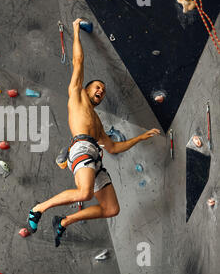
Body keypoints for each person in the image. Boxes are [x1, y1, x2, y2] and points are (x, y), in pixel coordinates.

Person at [27, 18, 160, 247]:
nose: (101, 90)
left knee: (112, 209)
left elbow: (113, 147)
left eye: (103, 90)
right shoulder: (76, 96)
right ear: (86, 89)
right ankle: (38, 208)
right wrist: (76, 30)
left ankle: (64, 222)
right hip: (81, 148)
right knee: (84, 194)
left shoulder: (97, 121)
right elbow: (78, 60)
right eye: (97, 86)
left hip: (96, 157)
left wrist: (141, 137)